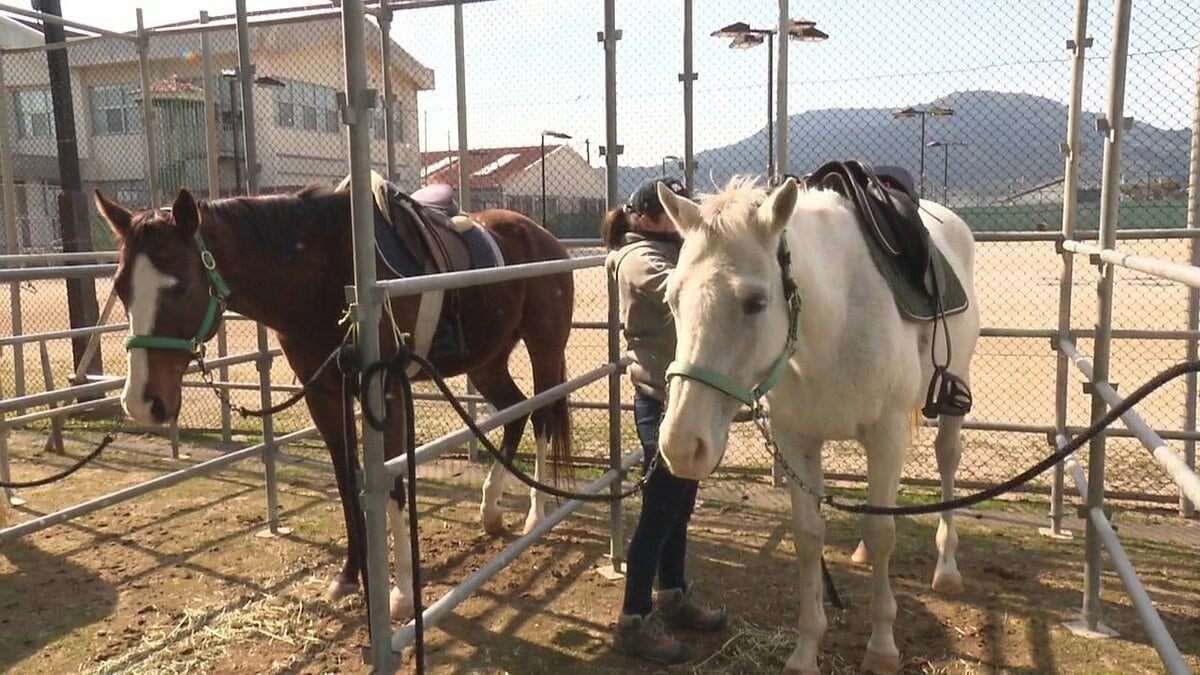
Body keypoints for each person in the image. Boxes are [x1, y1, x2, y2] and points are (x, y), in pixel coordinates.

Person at [602, 176, 727, 665]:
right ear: (647, 218)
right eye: (673, 215)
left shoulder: (668, 250)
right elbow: (690, 292)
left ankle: (672, 594)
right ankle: (633, 619)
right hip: (659, 401)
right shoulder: (639, 259)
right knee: (659, 512)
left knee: (679, 507)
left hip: (678, 400)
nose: (681, 223)